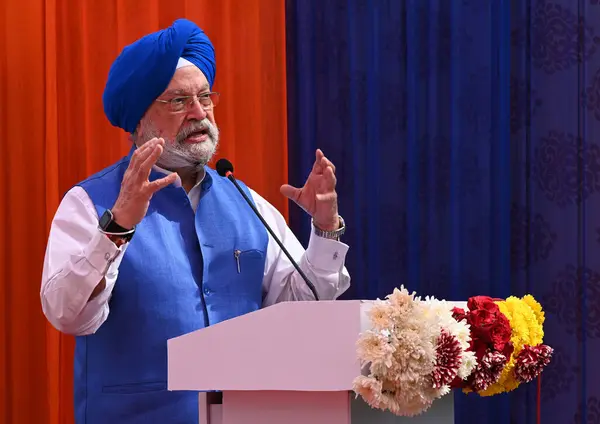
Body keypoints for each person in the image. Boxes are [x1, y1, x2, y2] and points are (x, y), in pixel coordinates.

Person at [40, 18, 350, 424]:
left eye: (205, 97)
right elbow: (67, 314)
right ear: (140, 121)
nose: (199, 113)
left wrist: (325, 230)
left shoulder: (246, 201)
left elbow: (302, 310)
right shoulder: (88, 202)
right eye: (178, 101)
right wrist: (115, 228)